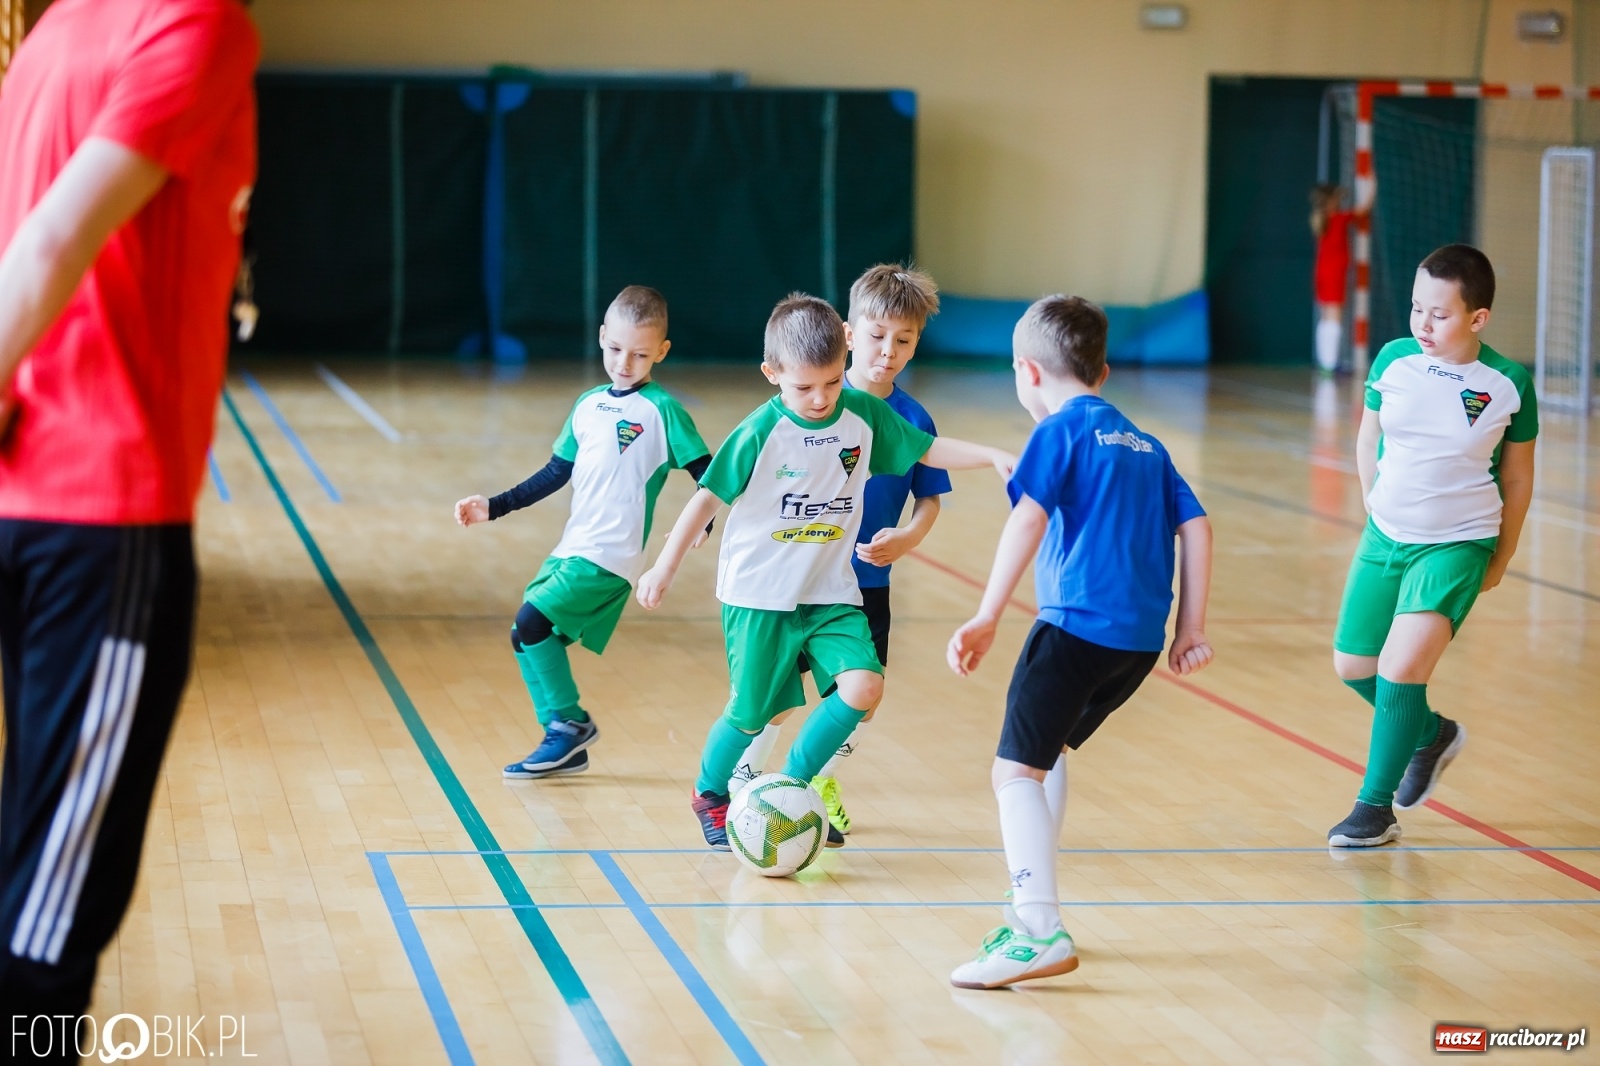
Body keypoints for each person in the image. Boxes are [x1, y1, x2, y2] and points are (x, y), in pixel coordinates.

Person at [0, 0, 259, 1038]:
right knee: (47, 927)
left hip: (27, 494)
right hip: (102, 522)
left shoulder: (54, 33)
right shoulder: (192, 23)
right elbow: (53, 238)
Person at [635, 293, 1013, 850]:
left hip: (832, 593)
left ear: (845, 364)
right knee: (755, 712)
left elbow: (928, 451)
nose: (820, 399)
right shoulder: (760, 432)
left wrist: (995, 455)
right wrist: (663, 567)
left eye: (833, 383)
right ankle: (710, 793)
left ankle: (791, 785)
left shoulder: (863, 415)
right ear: (773, 374)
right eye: (804, 387)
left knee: (863, 686)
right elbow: (704, 500)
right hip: (760, 597)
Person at [945, 294, 1214, 989]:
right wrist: (1191, 628)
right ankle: (1030, 900)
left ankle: (1038, 929)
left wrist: (987, 614)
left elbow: (1027, 521)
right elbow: (1199, 529)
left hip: (1071, 628)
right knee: (1050, 751)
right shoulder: (1146, 445)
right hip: (1136, 645)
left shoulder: (1059, 433)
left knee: (1012, 774)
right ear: (1103, 368)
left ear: (1028, 373)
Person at [727, 264, 949, 839]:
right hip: (797, 581)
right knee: (777, 696)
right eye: (877, 336)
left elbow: (929, 500)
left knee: (861, 696)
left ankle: (814, 780)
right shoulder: (814, 395)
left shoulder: (914, 419)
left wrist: (909, 536)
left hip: (866, 585)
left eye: (904, 341)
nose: (888, 351)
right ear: (848, 333)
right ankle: (747, 773)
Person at [1327, 245, 1537, 847]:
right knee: (1354, 667)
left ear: (1478, 318)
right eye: (1418, 308)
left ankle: (1373, 810)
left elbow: (1518, 477)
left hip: (1457, 544)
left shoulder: (1507, 383)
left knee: (1399, 670)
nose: (1422, 323)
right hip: (1385, 535)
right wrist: (1374, 504)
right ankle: (1432, 734)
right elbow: (1369, 437)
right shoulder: (1393, 361)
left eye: (1439, 314)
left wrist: (1503, 554)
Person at [454, 286, 710, 780]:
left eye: (639, 354)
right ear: (601, 338)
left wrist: (707, 519)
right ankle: (565, 735)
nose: (625, 362)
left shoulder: (663, 411)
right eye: (615, 349)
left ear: (662, 351)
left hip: (611, 556)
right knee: (523, 636)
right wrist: (495, 506)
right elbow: (555, 472)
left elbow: (708, 471)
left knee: (532, 623)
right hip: (573, 548)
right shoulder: (589, 405)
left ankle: (568, 727)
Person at [1310, 184, 1353, 373]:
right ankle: (1331, 364)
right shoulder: (1338, 219)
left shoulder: (1321, 220)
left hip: (1321, 272)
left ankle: (1324, 362)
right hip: (1334, 273)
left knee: (1326, 316)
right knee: (1334, 317)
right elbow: (1362, 211)